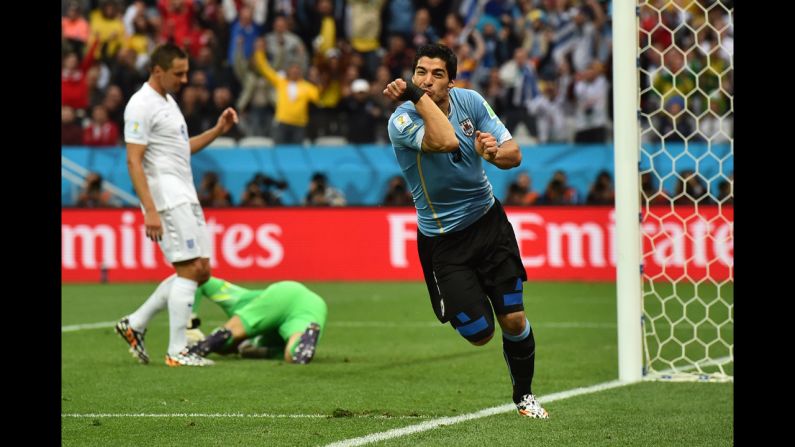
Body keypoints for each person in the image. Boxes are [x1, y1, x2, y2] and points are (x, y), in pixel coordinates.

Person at [383, 43, 548, 419]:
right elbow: (445, 140)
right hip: (444, 241)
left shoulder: (470, 102)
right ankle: (467, 302)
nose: (426, 80)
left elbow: (513, 154)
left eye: (437, 74)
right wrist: (414, 96)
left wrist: (492, 154)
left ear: (452, 81)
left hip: (489, 225)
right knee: (480, 333)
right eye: (420, 72)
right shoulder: (402, 120)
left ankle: (524, 396)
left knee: (515, 320)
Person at [115, 43, 239, 367]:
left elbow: (182, 149)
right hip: (166, 198)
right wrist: (150, 209)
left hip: (185, 193)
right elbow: (133, 160)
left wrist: (217, 130)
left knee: (201, 270)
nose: (185, 79)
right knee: (188, 268)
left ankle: (135, 323)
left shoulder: (168, 102)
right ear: (158, 70)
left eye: (186, 72)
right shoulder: (140, 105)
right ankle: (177, 350)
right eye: (179, 73)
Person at [186, 277, 328, 364]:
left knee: (226, 336)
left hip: (280, 296)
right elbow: (200, 280)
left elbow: (198, 279)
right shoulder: (263, 346)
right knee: (292, 353)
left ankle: (210, 341)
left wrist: (189, 326)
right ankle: (303, 340)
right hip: (312, 305)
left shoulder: (240, 301)